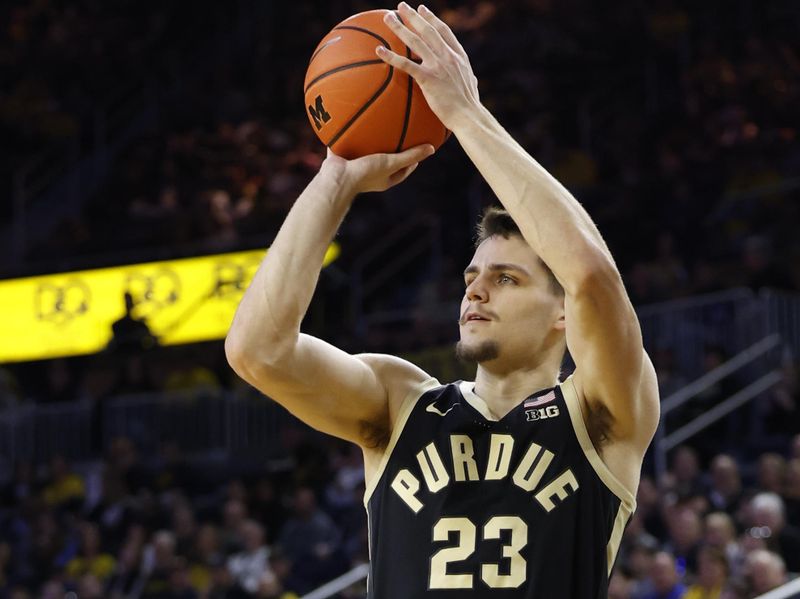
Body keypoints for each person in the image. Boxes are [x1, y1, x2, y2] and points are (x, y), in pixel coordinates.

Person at [225, 3, 660, 598]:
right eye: (471, 277)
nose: (476, 289)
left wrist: (464, 114)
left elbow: (589, 274)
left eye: (507, 278)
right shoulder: (400, 404)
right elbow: (257, 351)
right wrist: (337, 176)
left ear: (564, 313)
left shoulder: (598, 417)